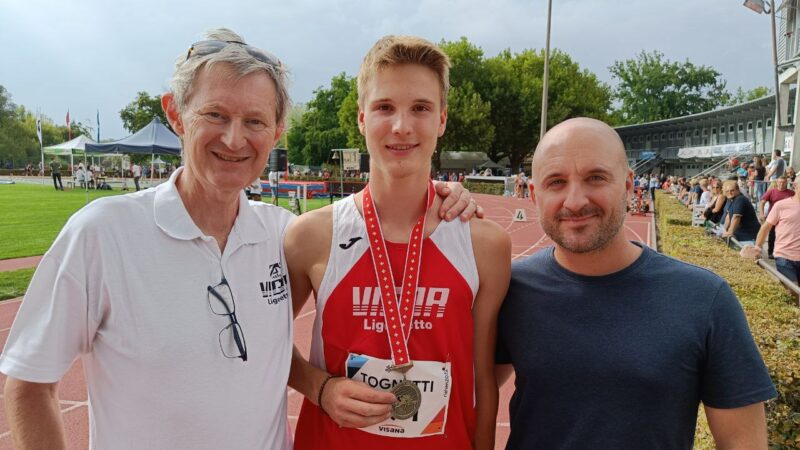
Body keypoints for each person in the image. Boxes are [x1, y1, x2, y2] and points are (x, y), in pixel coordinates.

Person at [0, 28, 478, 450]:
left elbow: (274, 349)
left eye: (254, 121)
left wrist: (320, 388)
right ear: (177, 113)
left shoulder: (281, 235)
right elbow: (27, 384)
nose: (234, 139)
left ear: (276, 131)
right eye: (215, 114)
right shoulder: (102, 234)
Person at [495, 117, 776, 449]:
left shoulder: (704, 299)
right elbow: (458, 392)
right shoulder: (510, 289)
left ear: (629, 185)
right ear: (533, 193)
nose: (575, 200)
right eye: (555, 182)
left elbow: (743, 443)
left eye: (595, 178)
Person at [286, 35, 510, 450]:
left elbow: (483, 379)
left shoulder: (484, 244)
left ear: (442, 120)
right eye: (384, 107)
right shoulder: (311, 235)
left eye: (420, 108)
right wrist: (320, 389)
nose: (402, 126)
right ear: (361, 118)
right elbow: (263, 342)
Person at [742, 177, 800, 285]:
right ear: (796, 186)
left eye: (783, 181)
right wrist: (758, 247)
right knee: (793, 290)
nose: (781, 183)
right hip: (785, 256)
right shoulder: (781, 205)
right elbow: (765, 228)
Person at [757, 176, 795, 258]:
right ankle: (771, 252)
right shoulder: (772, 192)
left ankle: (783, 252)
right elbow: (762, 202)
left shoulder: (791, 193)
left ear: (786, 183)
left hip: (786, 218)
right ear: (777, 182)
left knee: (784, 235)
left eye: (783, 182)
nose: (781, 184)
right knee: (772, 235)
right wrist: (761, 213)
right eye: (780, 182)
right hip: (773, 217)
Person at [721, 180, 760, 245]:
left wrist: (730, 232)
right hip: (740, 235)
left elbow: (736, 217)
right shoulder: (730, 199)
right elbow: (728, 215)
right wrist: (723, 230)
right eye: (727, 191)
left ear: (737, 190)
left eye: (732, 190)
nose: (729, 193)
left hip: (748, 236)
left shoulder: (740, 199)